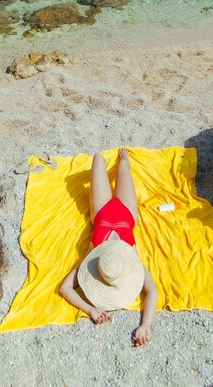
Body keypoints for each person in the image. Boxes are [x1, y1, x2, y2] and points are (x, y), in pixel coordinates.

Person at [59, 147, 158, 347]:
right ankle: (122, 158)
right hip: (127, 212)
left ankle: (118, 160)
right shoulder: (132, 263)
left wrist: (89, 310)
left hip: (101, 210)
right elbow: (153, 291)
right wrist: (146, 325)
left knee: (98, 159)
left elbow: (65, 288)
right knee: (123, 163)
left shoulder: (91, 260)